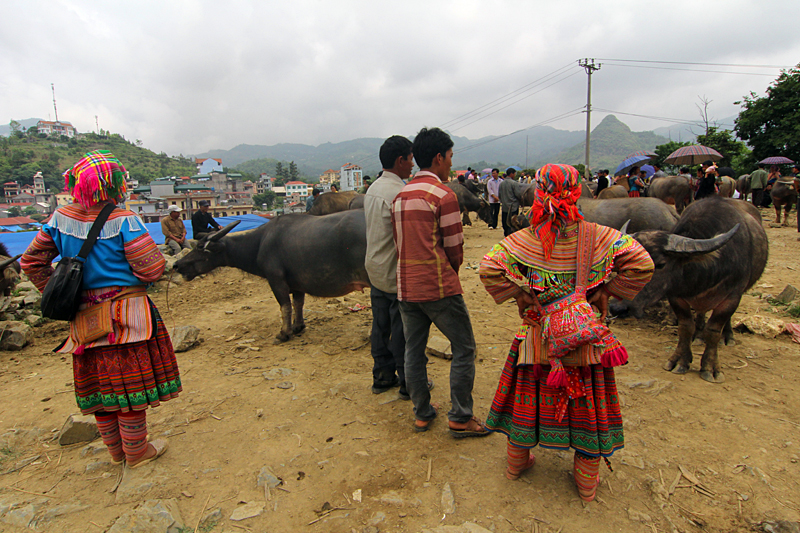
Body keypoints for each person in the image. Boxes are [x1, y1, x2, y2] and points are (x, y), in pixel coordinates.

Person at [479, 163, 654, 499]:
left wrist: (520, 294)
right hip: (586, 340)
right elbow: (643, 263)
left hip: (537, 337)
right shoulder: (600, 237)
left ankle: (516, 465)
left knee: (524, 404)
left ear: (540, 193)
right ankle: (587, 484)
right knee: (589, 409)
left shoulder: (524, 239)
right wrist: (606, 291)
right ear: (577, 193)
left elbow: (489, 267)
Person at [21, 150, 179, 468]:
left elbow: (31, 262)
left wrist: (60, 291)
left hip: (82, 316)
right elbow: (150, 269)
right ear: (114, 184)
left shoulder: (58, 219)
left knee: (100, 384)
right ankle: (136, 452)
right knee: (129, 382)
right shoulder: (123, 220)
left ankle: (117, 453)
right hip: (126, 315)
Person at [391, 127, 488, 438]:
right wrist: (451, 275)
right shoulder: (444, 196)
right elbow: (455, 250)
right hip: (438, 286)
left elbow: (399, 243)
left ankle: (422, 413)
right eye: (449, 157)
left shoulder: (400, 196)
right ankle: (461, 416)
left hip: (406, 288)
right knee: (464, 347)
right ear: (437, 158)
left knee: (413, 350)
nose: (450, 163)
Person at [365, 136, 420, 399]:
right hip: (394, 270)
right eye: (410, 159)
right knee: (402, 330)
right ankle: (408, 382)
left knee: (380, 326)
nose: (412, 164)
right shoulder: (399, 193)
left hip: (374, 267)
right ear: (401, 160)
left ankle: (382, 376)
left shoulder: (373, 188)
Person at [499, 168, 526, 236]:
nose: (514, 175)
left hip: (504, 206)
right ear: (511, 174)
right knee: (513, 222)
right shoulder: (514, 183)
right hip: (513, 206)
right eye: (514, 174)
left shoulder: (501, 183)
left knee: (505, 221)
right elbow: (518, 194)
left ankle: (506, 234)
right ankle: (511, 235)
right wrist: (521, 199)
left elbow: (499, 195)